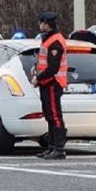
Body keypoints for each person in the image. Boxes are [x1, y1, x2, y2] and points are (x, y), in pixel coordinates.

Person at [31, 11, 68, 160]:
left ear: (46, 23)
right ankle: (52, 147)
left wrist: (37, 78)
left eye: (41, 22)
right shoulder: (48, 39)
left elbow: (53, 68)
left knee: (55, 115)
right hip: (46, 84)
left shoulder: (55, 42)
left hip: (53, 83)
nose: (39, 25)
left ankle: (59, 149)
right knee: (49, 116)